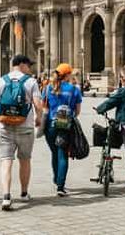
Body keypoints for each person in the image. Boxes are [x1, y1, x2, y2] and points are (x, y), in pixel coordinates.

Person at [0, 54, 42, 211]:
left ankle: (6, 196)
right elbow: (38, 105)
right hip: (25, 126)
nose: (30, 68)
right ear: (22, 65)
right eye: (29, 65)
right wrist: (38, 119)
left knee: (6, 160)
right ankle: (23, 193)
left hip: (5, 126)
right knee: (25, 160)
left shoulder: (0, 81)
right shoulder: (31, 81)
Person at [42, 63, 82, 197]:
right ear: (68, 75)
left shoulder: (47, 88)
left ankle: (56, 178)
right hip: (65, 125)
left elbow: (44, 108)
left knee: (54, 152)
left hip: (50, 125)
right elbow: (77, 111)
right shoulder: (74, 89)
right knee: (63, 154)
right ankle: (60, 185)